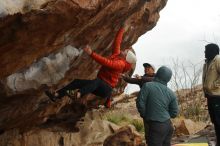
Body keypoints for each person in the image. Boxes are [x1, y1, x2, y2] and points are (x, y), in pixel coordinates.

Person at [45, 25, 137, 108]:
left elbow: (106, 62)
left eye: (126, 52)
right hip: (98, 85)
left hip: (106, 89)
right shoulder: (117, 55)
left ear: (126, 57)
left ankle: (78, 94)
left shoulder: (121, 64)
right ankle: (57, 95)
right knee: (77, 82)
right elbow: (117, 42)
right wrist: (122, 28)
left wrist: (91, 53)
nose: (124, 50)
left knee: (96, 82)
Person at [136, 66, 178, 146]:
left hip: (155, 126)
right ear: (168, 79)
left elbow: (140, 103)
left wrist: (145, 115)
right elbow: (174, 113)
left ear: (157, 74)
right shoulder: (171, 93)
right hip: (168, 126)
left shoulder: (147, 86)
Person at [202, 43, 220, 146]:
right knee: (215, 121)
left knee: (218, 121)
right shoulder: (207, 63)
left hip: (217, 96)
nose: (204, 52)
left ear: (212, 50)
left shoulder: (218, 59)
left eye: (206, 50)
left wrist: (215, 85)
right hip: (210, 96)